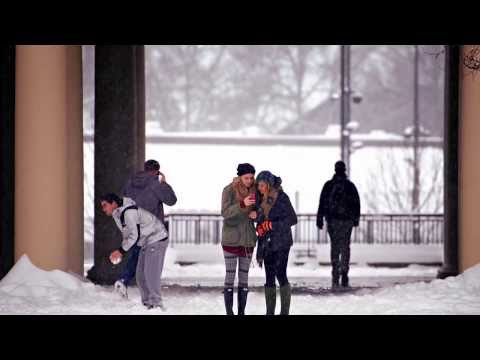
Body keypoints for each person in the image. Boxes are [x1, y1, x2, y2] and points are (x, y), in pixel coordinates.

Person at [114, 159, 177, 298]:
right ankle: (151, 296)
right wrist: (164, 184)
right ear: (156, 171)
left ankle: (124, 279)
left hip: (134, 224)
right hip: (152, 229)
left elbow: (123, 197)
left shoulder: (131, 181)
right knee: (151, 263)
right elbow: (172, 200)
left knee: (136, 255)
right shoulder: (156, 184)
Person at [101, 193, 169, 310]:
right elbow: (127, 235)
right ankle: (149, 305)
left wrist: (121, 251)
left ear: (113, 203)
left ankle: (157, 305)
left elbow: (134, 235)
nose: (103, 209)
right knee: (140, 276)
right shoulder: (117, 214)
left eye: (105, 205)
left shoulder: (129, 212)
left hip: (156, 238)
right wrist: (122, 250)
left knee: (150, 274)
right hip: (145, 242)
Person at [255, 170, 297, 315]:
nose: (259, 188)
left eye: (261, 185)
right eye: (258, 185)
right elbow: (260, 222)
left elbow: (292, 219)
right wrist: (260, 229)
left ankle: (284, 312)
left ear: (268, 184)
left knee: (280, 274)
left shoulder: (282, 198)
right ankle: (270, 312)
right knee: (269, 277)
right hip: (267, 243)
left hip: (282, 242)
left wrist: (272, 225)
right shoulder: (260, 200)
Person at [220, 163, 258, 315]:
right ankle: (229, 312)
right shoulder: (229, 190)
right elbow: (225, 212)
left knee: (244, 277)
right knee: (230, 276)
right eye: (246, 177)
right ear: (240, 177)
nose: (249, 180)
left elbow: (260, 209)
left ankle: (241, 311)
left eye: (251, 177)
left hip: (248, 240)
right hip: (231, 239)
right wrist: (242, 204)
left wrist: (256, 213)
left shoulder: (255, 189)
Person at [316, 161, 361, 289]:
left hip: (333, 221)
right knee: (345, 246)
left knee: (335, 247)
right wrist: (355, 219)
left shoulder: (329, 185)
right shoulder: (350, 186)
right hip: (347, 221)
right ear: (344, 170)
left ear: (335, 170)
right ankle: (345, 272)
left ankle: (335, 272)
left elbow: (322, 202)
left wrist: (319, 218)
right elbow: (356, 203)